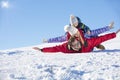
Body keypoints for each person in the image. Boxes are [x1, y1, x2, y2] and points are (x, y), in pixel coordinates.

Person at [43, 15, 114, 50]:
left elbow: (98, 31)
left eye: (76, 23)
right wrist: (48, 40)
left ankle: (97, 45)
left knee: (93, 36)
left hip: (88, 46)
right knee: (70, 42)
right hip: (78, 48)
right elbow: (58, 39)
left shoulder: (85, 32)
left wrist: (108, 27)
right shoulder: (69, 35)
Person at [33, 26, 120, 53]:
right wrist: (42, 49)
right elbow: (55, 48)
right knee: (83, 37)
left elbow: (102, 38)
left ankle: (76, 31)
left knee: (94, 39)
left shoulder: (86, 43)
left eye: (78, 44)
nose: (77, 46)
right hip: (78, 38)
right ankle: (74, 31)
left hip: (89, 46)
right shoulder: (66, 47)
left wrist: (114, 34)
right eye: (75, 45)